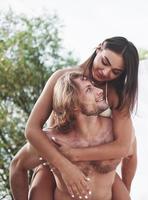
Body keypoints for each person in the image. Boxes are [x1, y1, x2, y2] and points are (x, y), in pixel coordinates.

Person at [22, 36, 139, 198]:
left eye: (116, 72)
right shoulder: (62, 79)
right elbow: (32, 129)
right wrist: (64, 166)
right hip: (55, 162)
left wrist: (75, 154)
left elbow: (125, 148)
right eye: (105, 62)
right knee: (22, 167)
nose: (106, 72)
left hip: (98, 168)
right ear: (98, 48)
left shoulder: (115, 94)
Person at [10, 71, 134, 200]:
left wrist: (126, 188)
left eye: (93, 85)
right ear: (73, 104)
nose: (100, 90)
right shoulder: (53, 141)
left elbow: (131, 156)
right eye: (88, 89)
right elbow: (17, 166)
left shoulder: (115, 133)